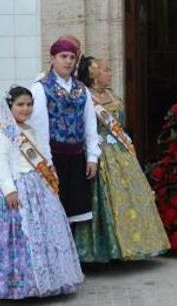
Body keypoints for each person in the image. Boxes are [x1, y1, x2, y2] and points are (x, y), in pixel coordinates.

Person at [0, 86, 84, 299]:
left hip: (35, 186)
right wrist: (9, 190)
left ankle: (44, 280)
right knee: (12, 238)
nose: (25, 109)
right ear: (10, 106)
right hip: (13, 189)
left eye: (29, 104)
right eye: (20, 104)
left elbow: (41, 155)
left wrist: (50, 173)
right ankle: (13, 286)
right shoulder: (1, 130)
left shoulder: (29, 129)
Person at [75, 56, 170, 261]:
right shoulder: (85, 97)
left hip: (120, 152)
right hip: (100, 154)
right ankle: (103, 249)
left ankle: (132, 245)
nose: (110, 74)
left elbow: (122, 123)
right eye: (106, 70)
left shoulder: (112, 94)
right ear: (94, 74)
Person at [29, 38, 101, 226]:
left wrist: (92, 156)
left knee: (76, 213)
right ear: (52, 58)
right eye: (63, 56)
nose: (68, 61)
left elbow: (90, 124)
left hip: (77, 157)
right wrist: (47, 162)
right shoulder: (41, 88)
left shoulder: (81, 89)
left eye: (72, 57)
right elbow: (39, 128)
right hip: (54, 157)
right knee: (53, 211)